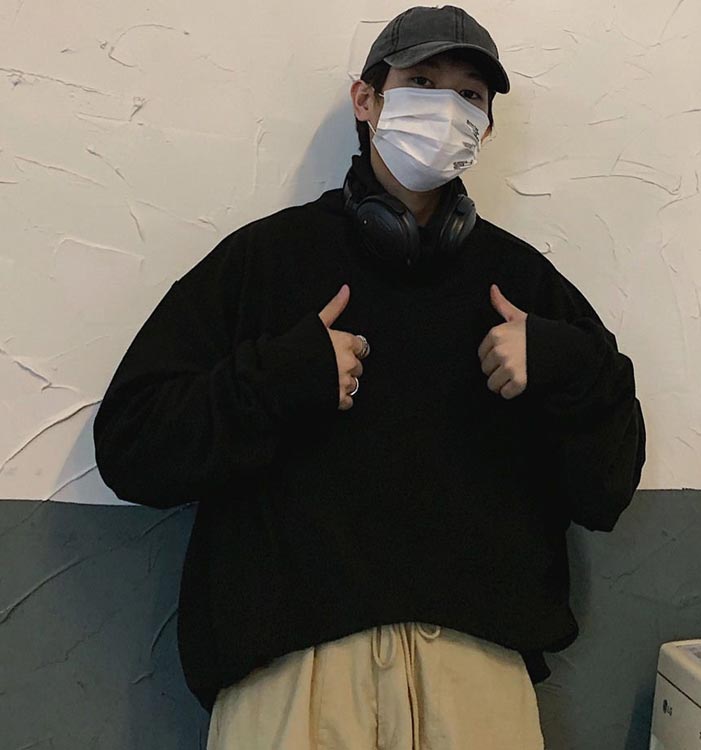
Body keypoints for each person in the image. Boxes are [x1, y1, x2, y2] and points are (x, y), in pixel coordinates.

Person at [93, 5, 646, 749]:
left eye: (470, 94)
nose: (447, 108)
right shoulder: (264, 263)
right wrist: (280, 379)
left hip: (478, 679)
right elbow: (131, 447)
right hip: (292, 680)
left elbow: (606, 489)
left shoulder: (523, 285)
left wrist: (566, 367)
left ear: (486, 125)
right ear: (367, 99)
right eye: (422, 82)